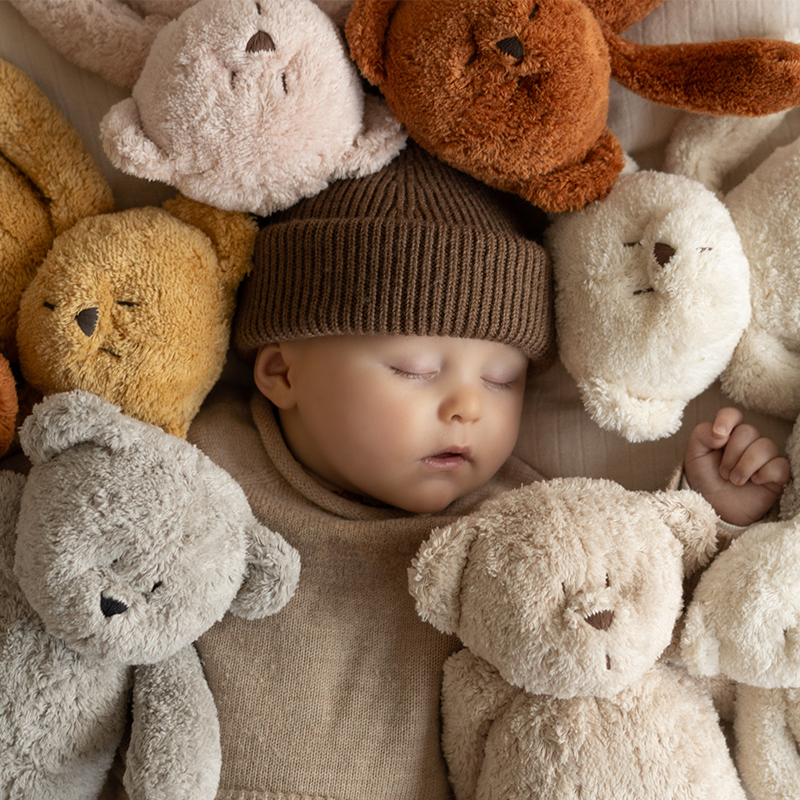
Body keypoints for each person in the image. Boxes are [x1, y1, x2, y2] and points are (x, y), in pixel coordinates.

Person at [182, 143, 788, 799]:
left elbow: (627, 627)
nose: (468, 406)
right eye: (415, 370)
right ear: (281, 372)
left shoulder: (516, 527)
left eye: (502, 380)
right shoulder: (205, 466)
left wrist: (711, 509)